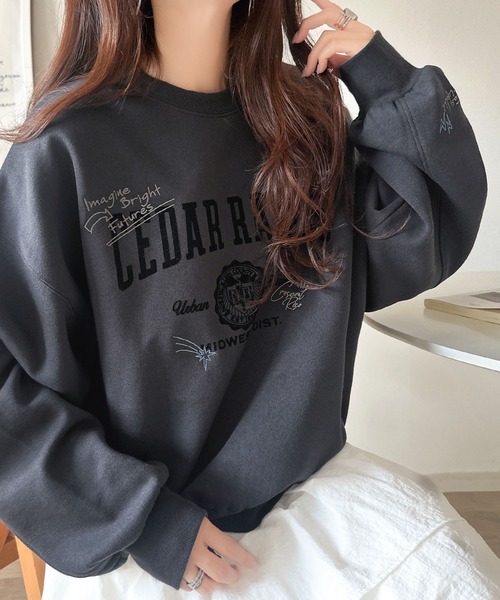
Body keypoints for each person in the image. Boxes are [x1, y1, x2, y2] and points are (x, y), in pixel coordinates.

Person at [0, 0, 494, 598]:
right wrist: (136, 517)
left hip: (310, 493)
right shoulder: (65, 147)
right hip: (150, 535)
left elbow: (426, 230)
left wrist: (382, 73)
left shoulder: (303, 116)